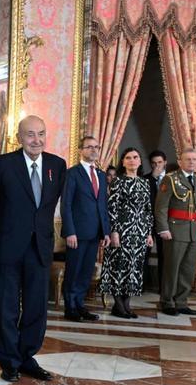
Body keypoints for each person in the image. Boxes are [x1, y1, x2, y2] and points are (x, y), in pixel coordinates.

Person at [0, 116, 66, 383]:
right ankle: (9, 361)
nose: (36, 140)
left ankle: (26, 356)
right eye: (30, 134)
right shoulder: (3, 164)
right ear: (19, 137)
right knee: (5, 307)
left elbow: (49, 206)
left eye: (41, 134)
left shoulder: (57, 165)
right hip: (6, 247)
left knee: (36, 308)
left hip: (40, 248)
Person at [60, 136, 110, 322]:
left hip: (95, 233)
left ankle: (80, 305)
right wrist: (70, 231)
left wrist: (105, 231)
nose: (94, 150)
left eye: (96, 147)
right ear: (81, 150)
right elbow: (66, 205)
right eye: (89, 147)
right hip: (77, 233)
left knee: (86, 271)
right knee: (74, 270)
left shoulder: (101, 175)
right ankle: (70, 307)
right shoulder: (72, 173)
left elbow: (102, 205)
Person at [99, 147, 153, 318]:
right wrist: (114, 231)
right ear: (123, 162)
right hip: (122, 231)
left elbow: (148, 209)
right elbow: (112, 208)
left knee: (134, 268)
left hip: (140, 232)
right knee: (119, 267)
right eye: (128, 157)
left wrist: (149, 233)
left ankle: (127, 304)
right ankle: (118, 305)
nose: (132, 160)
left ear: (140, 161)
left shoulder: (145, 182)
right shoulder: (118, 181)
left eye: (135, 157)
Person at [154, 148, 196, 316]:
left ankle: (182, 302)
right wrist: (163, 229)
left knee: (188, 268)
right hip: (175, 230)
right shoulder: (170, 179)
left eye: (194, 159)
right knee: (172, 267)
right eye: (188, 159)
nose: (191, 162)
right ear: (180, 161)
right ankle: (167, 302)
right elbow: (161, 208)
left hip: (193, 230)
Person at [143, 150, 168, 289]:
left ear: (165, 162)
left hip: (165, 221)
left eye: (159, 162)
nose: (156, 165)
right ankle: (142, 285)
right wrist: (153, 177)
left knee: (164, 255)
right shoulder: (146, 179)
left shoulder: (172, 178)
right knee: (144, 253)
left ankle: (163, 287)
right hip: (148, 221)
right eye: (153, 163)